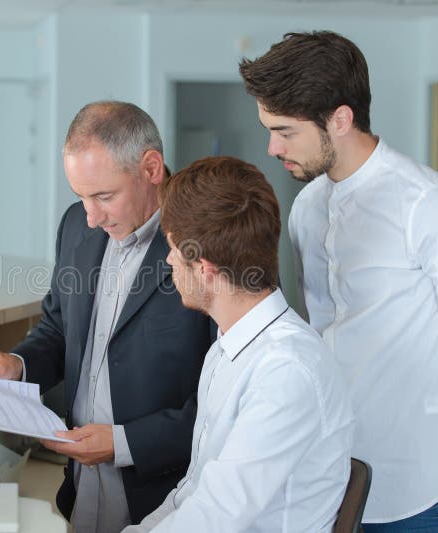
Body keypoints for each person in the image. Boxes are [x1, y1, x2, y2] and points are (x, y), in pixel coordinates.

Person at [239, 31, 438, 532]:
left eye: (285, 131)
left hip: (419, 495)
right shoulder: (307, 207)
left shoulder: (430, 204)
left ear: (340, 119)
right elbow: (320, 337)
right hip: (329, 478)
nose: (272, 147)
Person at [0, 101, 213, 532]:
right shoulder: (77, 226)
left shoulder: (210, 240)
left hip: (167, 499)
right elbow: (57, 328)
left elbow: (225, 403)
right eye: (81, 197)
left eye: (104, 196)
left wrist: (123, 444)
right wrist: (15, 365)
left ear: (151, 168)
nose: (91, 217)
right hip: (80, 490)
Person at [124, 156, 354, 533]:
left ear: (205, 268)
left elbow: (213, 518)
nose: (168, 260)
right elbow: (192, 494)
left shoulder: (286, 372)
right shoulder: (228, 346)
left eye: (173, 248)